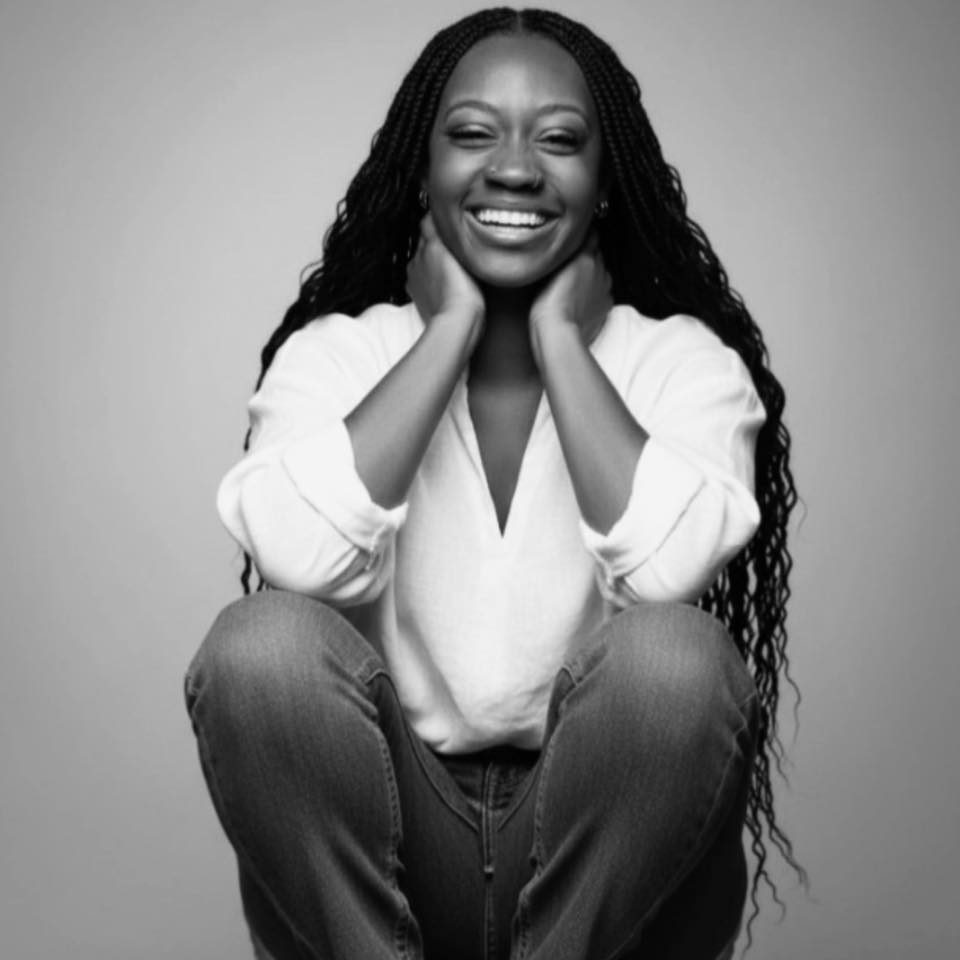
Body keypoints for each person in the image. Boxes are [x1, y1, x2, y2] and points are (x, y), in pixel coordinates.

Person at [184, 8, 804, 959]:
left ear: (606, 184)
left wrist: (562, 343)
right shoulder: (337, 356)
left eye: (558, 140)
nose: (514, 168)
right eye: (473, 133)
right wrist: (445, 335)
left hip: (603, 858)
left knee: (679, 660)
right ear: (420, 171)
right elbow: (300, 559)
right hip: (395, 849)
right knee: (258, 648)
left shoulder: (682, 365)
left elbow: (666, 572)